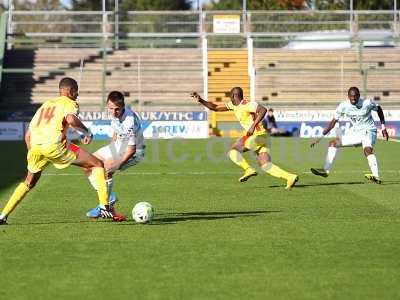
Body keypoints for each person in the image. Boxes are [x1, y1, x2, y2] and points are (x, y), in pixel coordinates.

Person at [0, 77, 118, 225]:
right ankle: (104, 206)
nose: (77, 94)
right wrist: (86, 132)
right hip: (54, 145)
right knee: (97, 164)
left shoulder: (45, 105)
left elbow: (28, 134)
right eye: (76, 90)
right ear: (69, 90)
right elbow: (70, 119)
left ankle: (2, 215)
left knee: (29, 182)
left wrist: (34, 153)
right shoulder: (70, 103)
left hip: (35, 146)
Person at [191, 87, 298, 189]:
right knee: (265, 165)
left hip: (257, 136)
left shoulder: (248, 104)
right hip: (263, 137)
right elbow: (215, 107)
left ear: (234, 95)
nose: (229, 98)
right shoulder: (233, 105)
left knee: (232, 150)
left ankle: (248, 169)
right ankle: (290, 177)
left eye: (230, 96)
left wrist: (252, 126)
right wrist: (200, 100)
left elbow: (263, 110)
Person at [310, 86, 389, 183]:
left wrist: (383, 127)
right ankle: (325, 170)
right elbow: (333, 122)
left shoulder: (367, 103)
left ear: (359, 96)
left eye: (355, 96)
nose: (353, 98)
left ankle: (376, 176)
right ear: (348, 96)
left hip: (369, 131)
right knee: (333, 143)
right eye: (351, 97)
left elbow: (379, 109)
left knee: (367, 150)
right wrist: (319, 137)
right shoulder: (343, 106)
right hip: (356, 132)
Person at [85, 91, 145, 218]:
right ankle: (108, 197)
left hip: (134, 151)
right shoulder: (113, 113)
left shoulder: (129, 121)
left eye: (117, 109)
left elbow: (132, 149)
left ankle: (105, 204)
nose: (113, 112)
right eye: (110, 108)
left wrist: (117, 164)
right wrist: (111, 149)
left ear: (123, 107)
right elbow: (116, 132)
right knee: (88, 165)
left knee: (106, 169)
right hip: (118, 146)